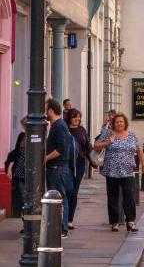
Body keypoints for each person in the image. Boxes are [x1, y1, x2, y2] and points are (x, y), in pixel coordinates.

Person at [94, 112, 144, 233]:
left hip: (128, 171)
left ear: (125, 123)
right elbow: (96, 146)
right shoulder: (108, 133)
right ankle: (114, 222)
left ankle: (131, 222)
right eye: (117, 122)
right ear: (114, 123)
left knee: (129, 196)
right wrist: (108, 142)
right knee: (113, 197)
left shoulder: (132, 135)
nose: (119, 124)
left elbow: (139, 150)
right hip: (111, 170)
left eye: (121, 122)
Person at [45, 98, 71, 237]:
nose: (44, 111)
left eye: (45, 108)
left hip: (58, 168)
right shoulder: (56, 125)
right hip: (55, 168)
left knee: (60, 198)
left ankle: (63, 228)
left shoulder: (59, 126)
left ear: (50, 110)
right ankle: (59, 227)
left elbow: (61, 149)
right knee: (57, 198)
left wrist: (46, 158)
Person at [65, 108, 93, 229]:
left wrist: (92, 161)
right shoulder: (65, 129)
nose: (77, 119)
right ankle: (63, 217)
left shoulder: (82, 130)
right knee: (68, 190)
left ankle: (70, 219)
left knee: (74, 191)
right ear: (69, 118)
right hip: (67, 163)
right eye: (74, 117)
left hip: (80, 164)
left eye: (78, 117)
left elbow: (87, 147)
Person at [4, 117, 26, 231]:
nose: (24, 128)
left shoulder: (38, 137)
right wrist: (10, 167)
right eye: (24, 126)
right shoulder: (21, 137)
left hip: (31, 176)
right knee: (23, 200)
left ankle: (31, 224)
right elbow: (15, 153)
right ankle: (26, 225)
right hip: (19, 173)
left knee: (30, 200)